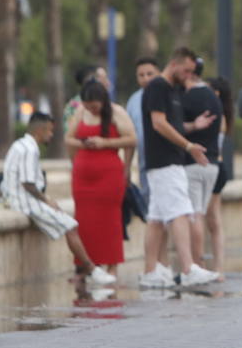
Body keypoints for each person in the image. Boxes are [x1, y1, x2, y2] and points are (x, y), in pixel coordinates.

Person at [0, 112, 114, 284]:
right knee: (71, 226)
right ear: (40, 130)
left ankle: (90, 270)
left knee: (68, 223)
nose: (51, 135)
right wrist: (47, 201)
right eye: (50, 131)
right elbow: (28, 184)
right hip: (24, 201)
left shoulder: (20, 144)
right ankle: (92, 270)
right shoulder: (30, 149)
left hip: (14, 197)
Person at [138, 47, 217, 289]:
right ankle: (188, 268)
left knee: (157, 218)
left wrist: (192, 129)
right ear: (175, 64)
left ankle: (151, 271)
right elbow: (158, 124)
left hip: (170, 161)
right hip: (164, 162)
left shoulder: (172, 91)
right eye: (186, 70)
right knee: (181, 212)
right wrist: (188, 145)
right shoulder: (158, 87)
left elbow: (174, 125)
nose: (188, 76)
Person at [66, 79, 137, 276]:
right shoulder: (80, 112)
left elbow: (132, 139)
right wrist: (84, 144)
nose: (92, 110)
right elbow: (68, 138)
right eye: (88, 106)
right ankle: (87, 266)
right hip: (83, 176)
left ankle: (111, 267)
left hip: (109, 176)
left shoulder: (117, 112)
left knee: (110, 223)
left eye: (95, 106)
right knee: (84, 222)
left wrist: (104, 142)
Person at [181, 58, 224, 279]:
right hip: (213, 164)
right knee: (203, 213)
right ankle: (204, 265)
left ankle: (197, 264)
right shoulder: (213, 97)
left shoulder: (186, 98)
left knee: (195, 214)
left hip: (193, 163)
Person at [205, 76, 236, 281]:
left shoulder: (217, 117)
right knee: (212, 219)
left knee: (212, 220)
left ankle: (217, 267)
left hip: (212, 166)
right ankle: (216, 267)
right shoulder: (223, 116)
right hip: (217, 167)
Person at [125, 57, 161, 200]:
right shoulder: (133, 101)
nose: (145, 78)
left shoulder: (168, 94)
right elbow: (130, 137)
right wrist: (126, 167)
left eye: (149, 74)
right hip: (144, 163)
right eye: (141, 75)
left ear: (158, 73)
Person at [64, 64, 111, 140]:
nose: (108, 83)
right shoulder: (75, 106)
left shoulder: (106, 103)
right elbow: (70, 137)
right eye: (104, 79)